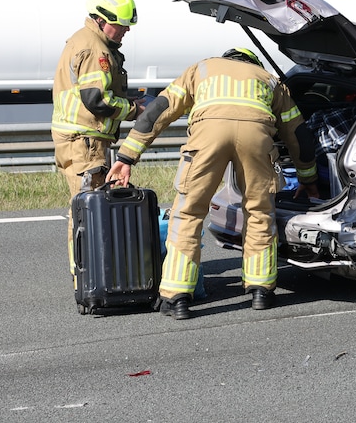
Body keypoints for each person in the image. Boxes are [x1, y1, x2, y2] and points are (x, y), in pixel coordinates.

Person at [107, 48, 319, 320]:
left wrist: (126, 156)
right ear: (252, 63)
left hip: (207, 137)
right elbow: (298, 135)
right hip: (256, 140)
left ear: (226, 59)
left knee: (188, 212)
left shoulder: (202, 69)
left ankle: (177, 296)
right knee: (259, 212)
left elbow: (159, 111)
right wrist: (308, 179)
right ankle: (261, 290)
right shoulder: (268, 79)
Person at [52, 0, 146, 284]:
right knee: (87, 208)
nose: (125, 32)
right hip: (85, 141)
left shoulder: (84, 40)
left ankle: (86, 268)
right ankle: (84, 271)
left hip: (83, 139)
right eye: (121, 25)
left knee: (86, 205)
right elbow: (98, 100)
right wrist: (134, 110)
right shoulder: (95, 48)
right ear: (102, 18)